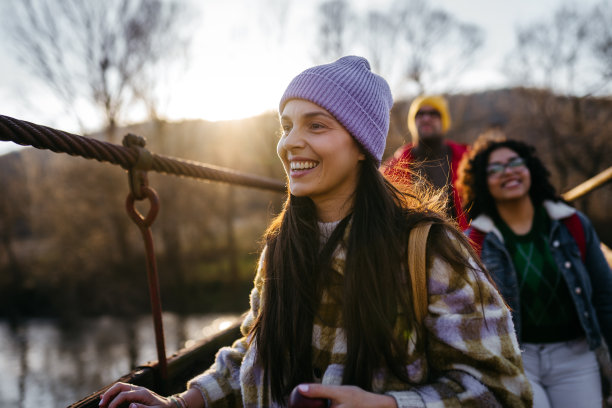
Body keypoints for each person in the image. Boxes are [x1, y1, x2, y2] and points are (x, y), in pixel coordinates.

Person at [99, 56, 531, 408]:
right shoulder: (280, 247)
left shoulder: (429, 250)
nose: (290, 143)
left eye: (316, 125)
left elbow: (502, 391)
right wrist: (178, 403)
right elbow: (253, 349)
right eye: (286, 126)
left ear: (362, 147)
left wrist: (390, 405)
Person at [458, 135, 612, 408]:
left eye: (515, 162)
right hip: (516, 359)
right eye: (495, 169)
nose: (508, 171)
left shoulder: (571, 223)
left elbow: (605, 295)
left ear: (530, 169)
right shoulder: (472, 241)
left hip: (577, 355)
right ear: (481, 181)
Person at [383, 95, 469, 230]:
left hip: (464, 243)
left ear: (444, 121)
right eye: (420, 114)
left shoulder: (468, 159)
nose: (426, 118)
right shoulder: (393, 168)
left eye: (434, 114)